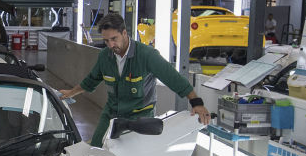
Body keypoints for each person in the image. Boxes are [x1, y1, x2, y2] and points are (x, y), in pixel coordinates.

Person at [57, 13, 210, 147]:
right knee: (97, 149)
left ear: (124, 33)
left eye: (114, 39)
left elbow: (174, 79)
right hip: (112, 115)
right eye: (106, 41)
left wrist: (197, 103)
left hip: (140, 117)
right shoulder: (105, 56)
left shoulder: (147, 55)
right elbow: (91, 80)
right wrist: (71, 92)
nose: (110, 45)